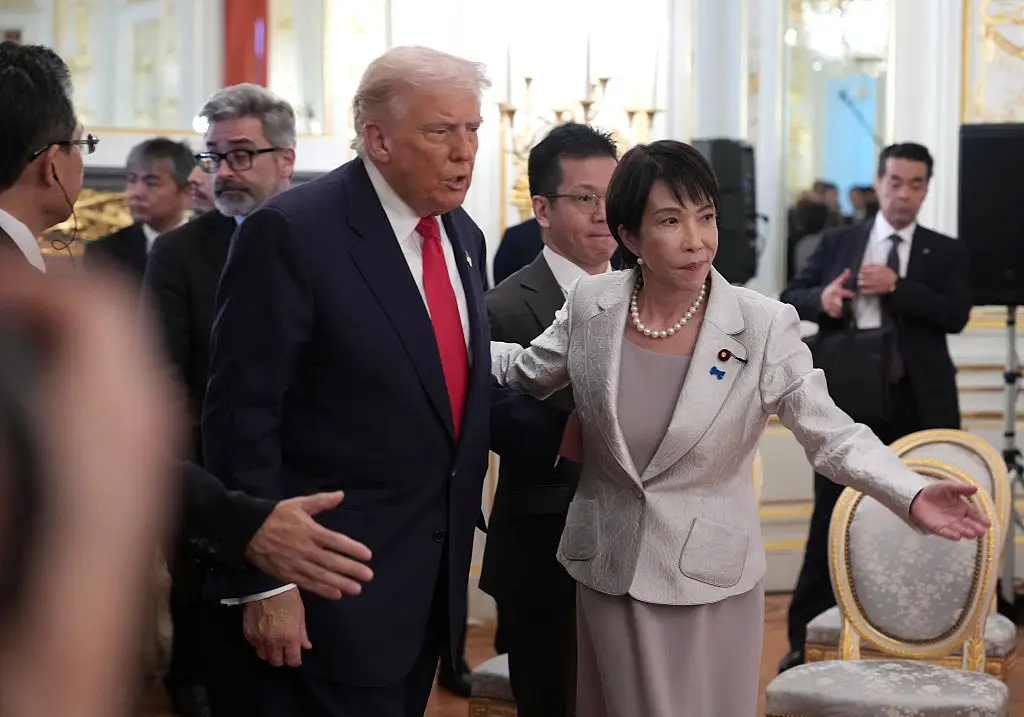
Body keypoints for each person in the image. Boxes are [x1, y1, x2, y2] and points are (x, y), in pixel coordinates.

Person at [489, 139, 989, 717]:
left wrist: (913, 490)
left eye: (706, 218)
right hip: (607, 569)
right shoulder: (591, 305)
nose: (696, 240)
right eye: (670, 221)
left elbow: (833, 435)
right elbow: (523, 371)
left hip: (709, 579)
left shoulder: (761, 324)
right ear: (629, 236)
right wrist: (448, 341)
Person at [200, 46, 572, 717]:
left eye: (473, 129)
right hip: (320, 591)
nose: (465, 152)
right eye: (441, 132)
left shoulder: (462, 235)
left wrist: (568, 433)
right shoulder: (290, 233)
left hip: (424, 589)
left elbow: (449, 389)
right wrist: (262, 583)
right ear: (379, 139)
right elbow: (240, 417)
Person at [778, 142, 972, 672]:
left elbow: (956, 313)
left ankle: (924, 638)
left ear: (926, 189)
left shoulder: (944, 250)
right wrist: (826, 300)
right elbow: (792, 293)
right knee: (832, 516)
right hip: (849, 400)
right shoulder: (840, 240)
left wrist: (898, 286)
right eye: (894, 181)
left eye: (915, 184)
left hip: (920, 402)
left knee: (924, 514)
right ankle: (806, 642)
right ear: (879, 181)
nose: (903, 193)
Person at [143, 84, 298, 717]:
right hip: (212, 492)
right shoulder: (181, 252)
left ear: (284, 158)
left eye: (240, 154)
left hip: (315, 484)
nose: (222, 173)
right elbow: (161, 380)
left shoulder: (321, 237)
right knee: (211, 676)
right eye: (212, 157)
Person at [481, 122, 618, 717]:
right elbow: (481, 414)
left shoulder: (649, 293)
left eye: (614, 196)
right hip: (545, 542)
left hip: (639, 545)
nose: (603, 213)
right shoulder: (502, 307)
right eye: (584, 198)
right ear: (541, 207)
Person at [84, 138, 194, 283]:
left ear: (186, 192)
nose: (137, 192)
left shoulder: (210, 248)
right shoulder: (104, 253)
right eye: (132, 180)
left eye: (151, 183)